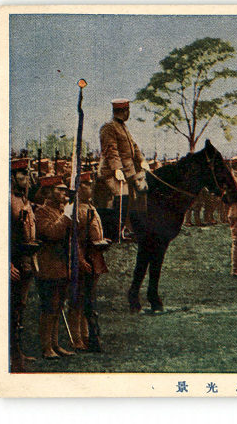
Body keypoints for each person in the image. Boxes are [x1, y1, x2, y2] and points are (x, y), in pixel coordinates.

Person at [67, 172, 110, 352]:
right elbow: (73, 237)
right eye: (85, 185)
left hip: (94, 255)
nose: (89, 187)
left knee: (89, 300)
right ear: (77, 188)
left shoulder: (90, 206)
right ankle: (77, 337)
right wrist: (79, 258)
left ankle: (87, 335)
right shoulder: (74, 209)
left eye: (90, 184)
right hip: (83, 258)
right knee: (77, 300)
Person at [35, 175, 75, 359]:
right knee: (49, 307)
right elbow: (51, 233)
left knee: (58, 306)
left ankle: (55, 343)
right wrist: (66, 217)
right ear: (48, 192)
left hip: (61, 264)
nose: (63, 193)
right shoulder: (41, 212)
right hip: (48, 265)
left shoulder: (60, 210)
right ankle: (46, 346)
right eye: (59, 189)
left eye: (64, 190)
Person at [97, 99, 150, 238]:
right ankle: (115, 232)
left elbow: (134, 146)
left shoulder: (123, 127)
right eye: (127, 111)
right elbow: (110, 150)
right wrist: (117, 169)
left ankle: (128, 228)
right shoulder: (109, 127)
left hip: (128, 171)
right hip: (111, 171)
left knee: (137, 197)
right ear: (124, 111)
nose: (128, 113)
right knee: (122, 196)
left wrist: (142, 160)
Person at [9, 158, 40, 371]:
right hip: (14, 259)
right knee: (11, 307)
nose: (26, 179)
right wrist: (7, 263)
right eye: (21, 175)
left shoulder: (25, 200)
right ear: (12, 177)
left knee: (21, 305)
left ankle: (17, 350)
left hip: (27, 258)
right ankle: (11, 353)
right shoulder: (7, 201)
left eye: (27, 174)